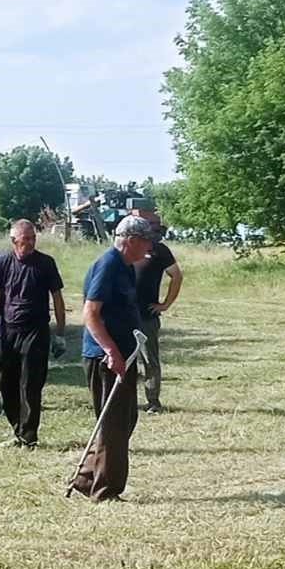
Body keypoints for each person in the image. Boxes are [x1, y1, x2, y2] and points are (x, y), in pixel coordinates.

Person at [73, 214, 159, 501]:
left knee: (125, 420)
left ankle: (86, 479)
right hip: (106, 358)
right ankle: (105, 491)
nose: (149, 247)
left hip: (124, 355)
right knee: (115, 423)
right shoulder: (108, 265)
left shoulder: (125, 267)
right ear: (131, 241)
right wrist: (111, 351)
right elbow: (90, 313)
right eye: (146, 241)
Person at [0, 219, 67, 448]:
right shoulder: (2, 264)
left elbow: (58, 299)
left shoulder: (46, 263)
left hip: (36, 330)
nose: (30, 243)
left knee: (31, 385)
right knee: (5, 383)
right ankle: (17, 430)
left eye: (33, 238)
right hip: (7, 330)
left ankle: (29, 437)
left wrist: (59, 334)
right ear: (14, 241)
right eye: (26, 239)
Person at [131, 208, 183, 413]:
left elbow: (177, 276)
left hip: (146, 315)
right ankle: (125, 399)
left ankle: (153, 401)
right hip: (125, 313)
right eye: (150, 225)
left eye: (155, 226)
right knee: (125, 359)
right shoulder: (127, 248)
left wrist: (165, 304)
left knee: (149, 359)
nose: (153, 229)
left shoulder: (160, 251)